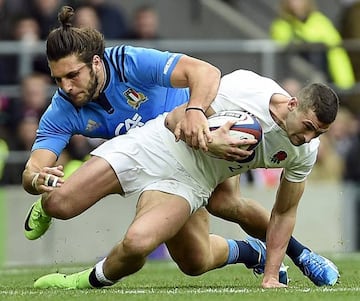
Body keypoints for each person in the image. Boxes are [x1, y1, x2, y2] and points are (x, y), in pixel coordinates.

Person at [24, 5, 338, 288]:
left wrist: (197, 114)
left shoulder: (128, 62)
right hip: (152, 144)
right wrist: (37, 179)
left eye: (72, 75)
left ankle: (261, 251)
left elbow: (203, 74)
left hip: (192, 148)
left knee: (197, 256)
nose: (66, 86)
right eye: (58, 79)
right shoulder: (62, 107)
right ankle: (47, 207)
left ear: (95, 63)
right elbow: (33, 167)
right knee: (57, 203)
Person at [270, 0, 355, 90]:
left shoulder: (320, 22)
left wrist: (344, 81)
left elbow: (337, 53)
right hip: (293, 76)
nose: (294, 3)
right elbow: (280, 43)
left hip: (318, 75)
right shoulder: (282, 24)